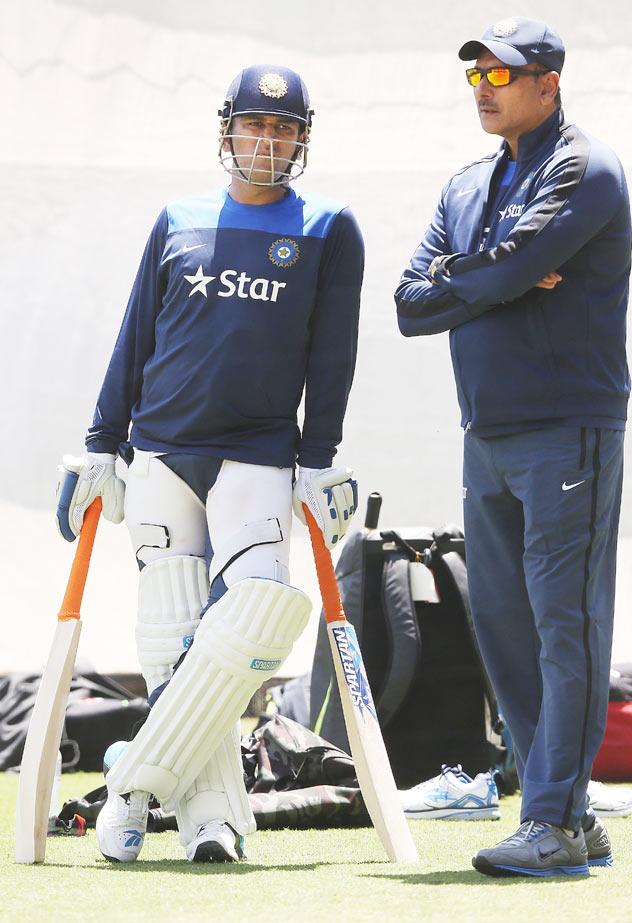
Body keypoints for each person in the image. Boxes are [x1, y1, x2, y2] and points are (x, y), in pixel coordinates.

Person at [56, 64, 363, 864]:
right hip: (160, 447)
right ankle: (211, 825)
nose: (268, 140)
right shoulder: (178, 218)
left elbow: (333, 355)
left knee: (261, 609)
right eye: (255, 125)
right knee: (169, 637)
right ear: (227, 129)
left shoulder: (330, 225)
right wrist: (100, 442)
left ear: (303, 137)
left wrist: (319, 457)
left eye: (284, 127)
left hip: (259, 452)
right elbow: (137, 336)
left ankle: (130, 788)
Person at [395, 17, 630, 878]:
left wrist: (479, 274)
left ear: (549, 83)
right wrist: (492, 273)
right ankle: (564, 810)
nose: (487, 88)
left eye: (504, 74)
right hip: (485, 435)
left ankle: (554, 821)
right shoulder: (468, 183)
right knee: (505, 628)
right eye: (476, 77)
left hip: (568, 430)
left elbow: (471, 279)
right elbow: (407, 304)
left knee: (563, 625)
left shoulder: (585, 167)